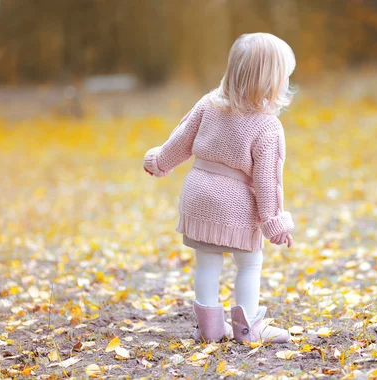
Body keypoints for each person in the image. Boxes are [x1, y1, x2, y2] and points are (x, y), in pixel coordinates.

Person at [143, 33, 296, 344]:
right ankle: (248, 328)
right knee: (249, 263)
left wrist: (159, 161)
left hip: (198, 195)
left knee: (208, 261)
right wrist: (273, 223)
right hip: (235, 203)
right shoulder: (267, 126)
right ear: (272, 81)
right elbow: (267, 182)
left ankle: (210, 328)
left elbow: (181, 140)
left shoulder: (210, 102)